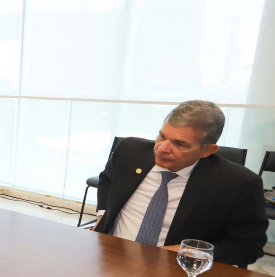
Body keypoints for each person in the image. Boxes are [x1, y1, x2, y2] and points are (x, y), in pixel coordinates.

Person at [94, 100, 267, 267]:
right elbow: (107, 179)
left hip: (176, 271)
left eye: (180, 144)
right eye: (162, 136)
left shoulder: (238, 183)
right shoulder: (130, 150)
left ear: (207, 150)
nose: (162, 148)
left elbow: (248, 247)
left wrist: (181, 252)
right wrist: (103, 216)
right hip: (110, 259)